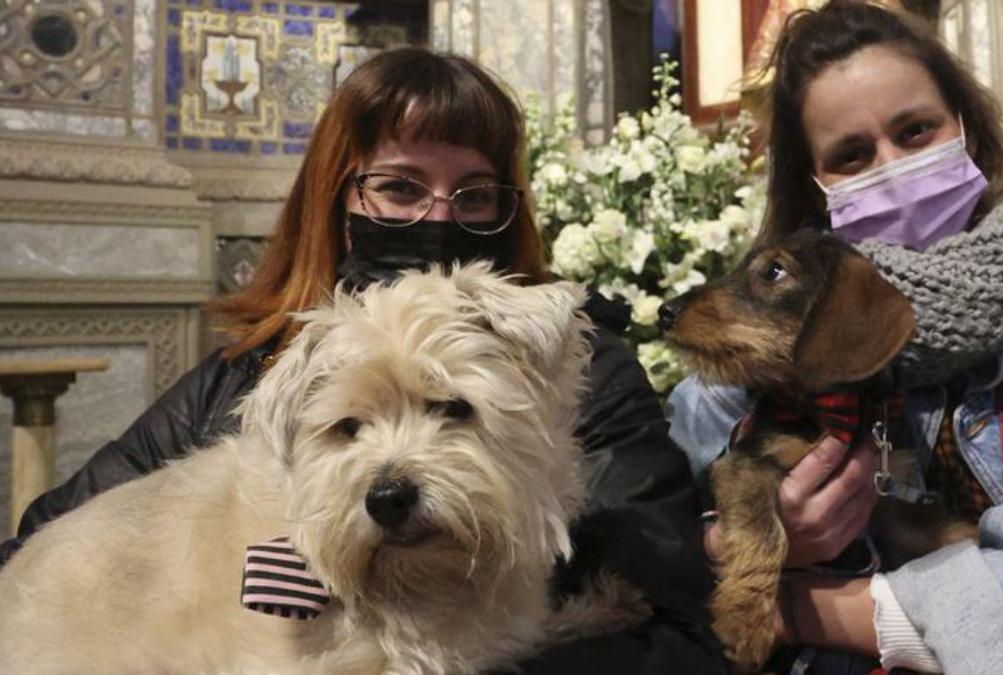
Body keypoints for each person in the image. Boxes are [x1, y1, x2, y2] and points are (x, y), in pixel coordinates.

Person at [0, 48, 727, 674]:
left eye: (473, 194)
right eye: (400, 186)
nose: (439, 217)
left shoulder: (571, 365)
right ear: (337, 195)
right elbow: (48, 534)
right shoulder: (246, 374)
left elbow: (680, 641)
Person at [667, 1, 1003, 673]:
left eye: (915, 132)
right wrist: (748, 541)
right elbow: (657, 530)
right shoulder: (773, 344)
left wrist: (800, 605)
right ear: (817, 190)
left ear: (967, 133)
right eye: (851, 155)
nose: (891, 167)